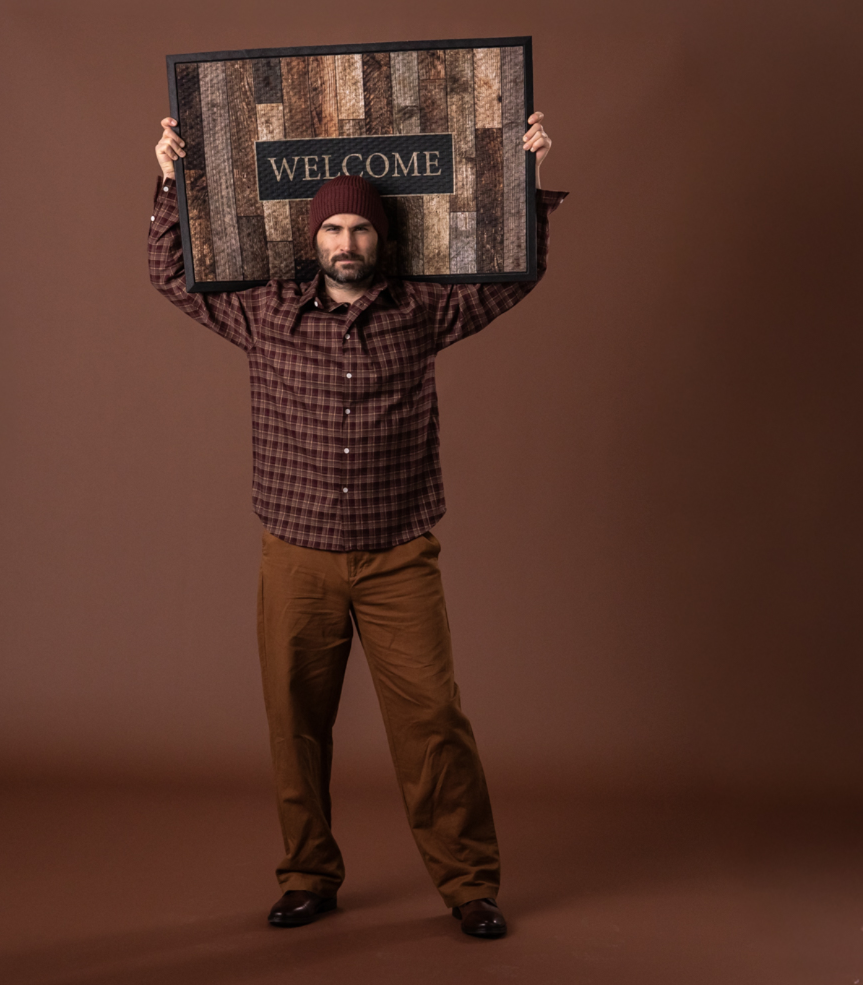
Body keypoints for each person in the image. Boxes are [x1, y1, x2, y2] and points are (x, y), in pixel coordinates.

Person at [149, 108, 566, 938]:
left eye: (360, 229)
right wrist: (167, 180)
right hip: (295, 554)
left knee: (433, 722)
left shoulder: (424, 312)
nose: (346, 242)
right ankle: (308, 873)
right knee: (294, 718)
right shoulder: (264, 312)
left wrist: (524, 174)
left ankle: (470, 884)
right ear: (315, 238)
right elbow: (170, 275)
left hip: (398, 555)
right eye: (333, 227)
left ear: (381, 238)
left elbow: (513, 276)